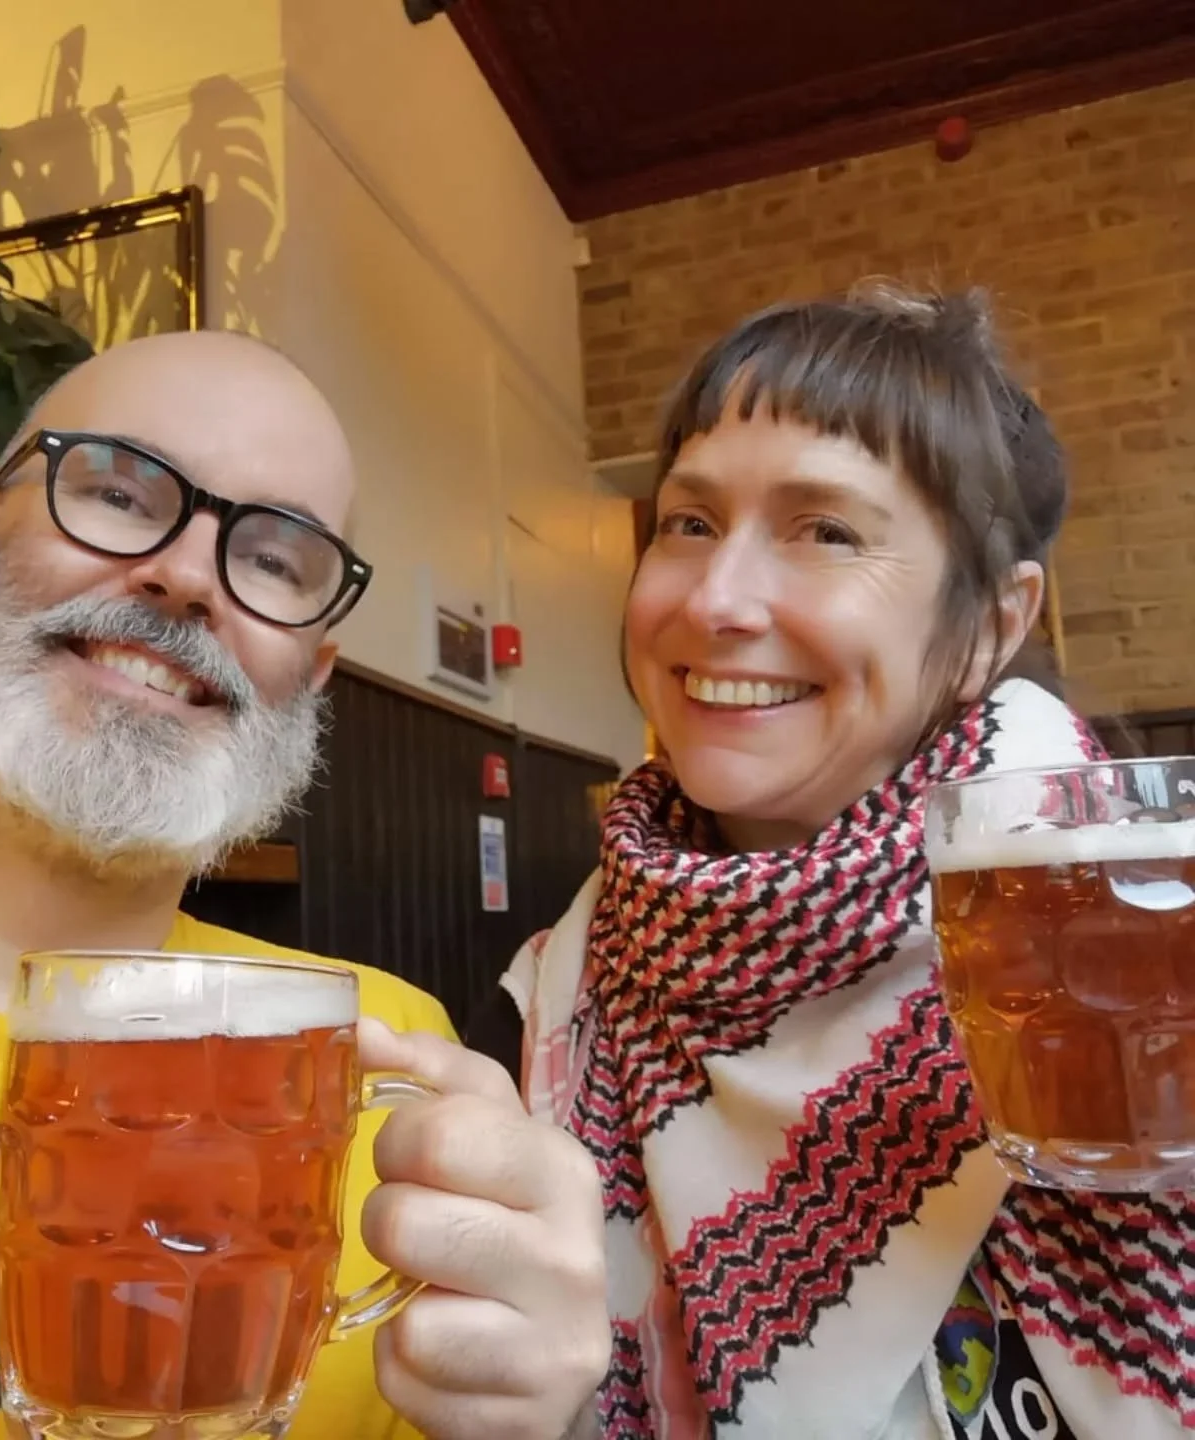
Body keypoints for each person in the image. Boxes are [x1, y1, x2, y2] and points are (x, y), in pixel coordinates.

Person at [0, 330, 609, 1440]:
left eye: (272, 560)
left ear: (314, 673)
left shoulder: (391, 1066)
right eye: (115, 490)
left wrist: (544, 1419)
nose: (188, 577)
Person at [469, 285, 1192, 1439]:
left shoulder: (1130, 952)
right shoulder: (570, 978)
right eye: (688, 524)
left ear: (997, 626)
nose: (715, 599)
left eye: (828, 531)